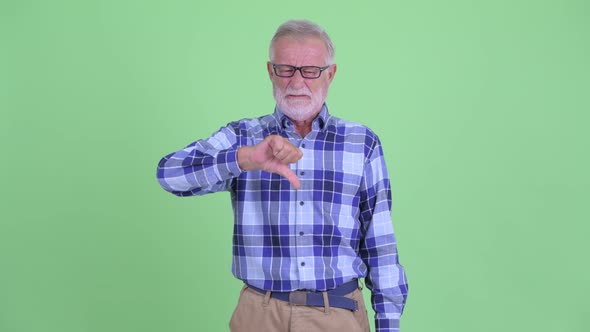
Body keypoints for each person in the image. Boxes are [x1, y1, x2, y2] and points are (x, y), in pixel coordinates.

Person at [156, 19, 408, 332]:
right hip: (258, 314)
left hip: (338, 314)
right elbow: (169, 174)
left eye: (310, 70)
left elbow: (380, 243)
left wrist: (389, 324)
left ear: (330, 74)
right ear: (270, 71)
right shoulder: (244, 135)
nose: (297, 81)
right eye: (285, 69)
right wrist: (246, 158)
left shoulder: (362, 142)